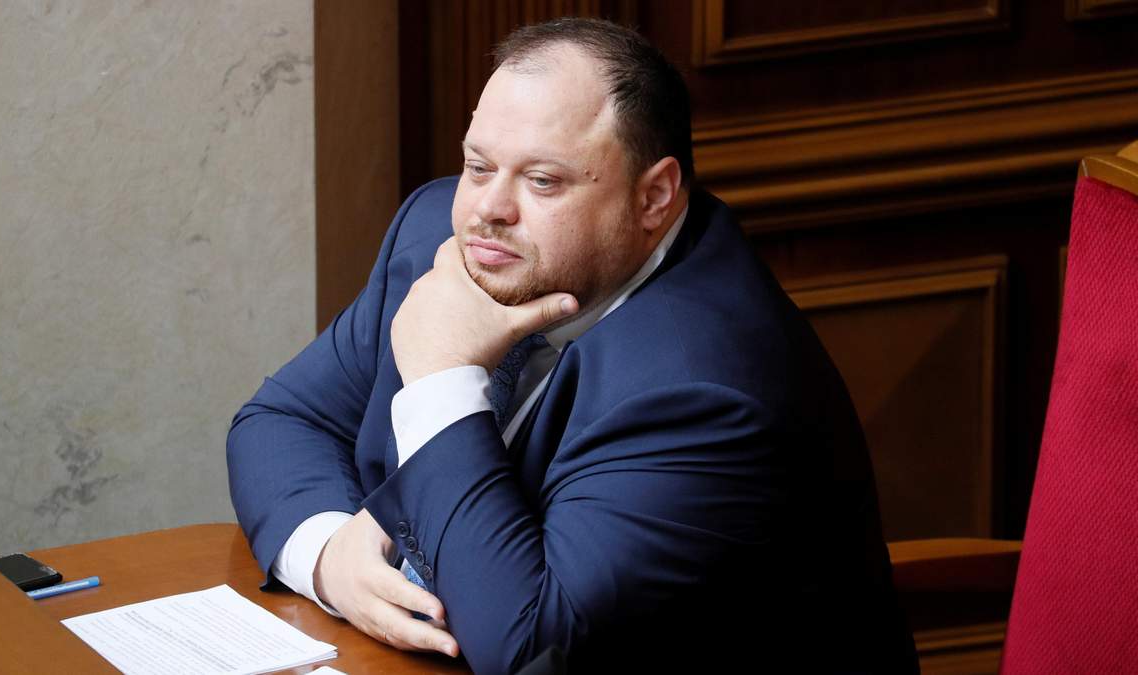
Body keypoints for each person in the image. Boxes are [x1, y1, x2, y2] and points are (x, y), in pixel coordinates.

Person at [227, 17, 917, 674]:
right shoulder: (440, 241)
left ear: (654, 198)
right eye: (478, 166)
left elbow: (529, 647)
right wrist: (330, 559)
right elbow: (281, 420)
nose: (487, 210)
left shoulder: (704, 391)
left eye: (542, 181)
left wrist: (441, 378)